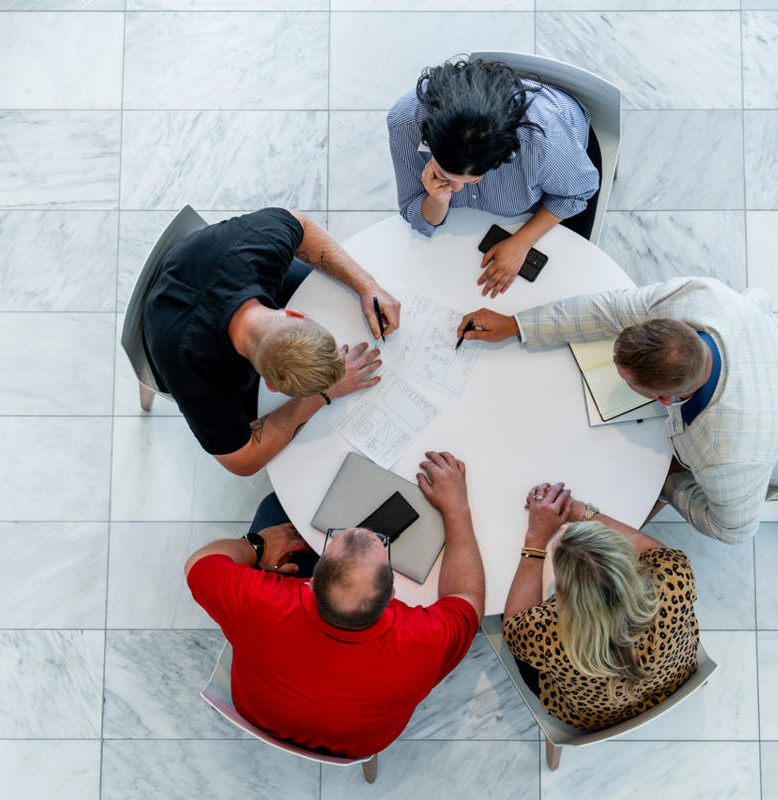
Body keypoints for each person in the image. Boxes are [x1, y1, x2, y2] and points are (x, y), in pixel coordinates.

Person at [457, 276, 778, 544]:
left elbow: (734, 530)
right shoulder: (696, 297)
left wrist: (668, 484)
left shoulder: (724, 454)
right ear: (675, 324)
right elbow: (612, 309)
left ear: (665, 400)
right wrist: (517, 325)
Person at [184, 451, 484, 758]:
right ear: (393, 595)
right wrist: (457, 510)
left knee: (274, 507)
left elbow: (198, 563)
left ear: (311, 582)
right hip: (361, 744)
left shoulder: (258, 602)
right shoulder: (427, 640)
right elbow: (467, 598)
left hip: (256, 711)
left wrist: (259, 545)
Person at [143, 207, 402, 476]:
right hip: (167, 328)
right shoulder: (195, 371)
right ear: (268, 385)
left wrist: (366, 285)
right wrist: (322, 395)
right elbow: (241, 461)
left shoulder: (258, 248)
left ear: (294, 313)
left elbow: (299, 223)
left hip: (205, 266)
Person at [387, 58, 600, 298]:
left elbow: (578, 192)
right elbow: (413, 213)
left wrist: (522, 243)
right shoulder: (404, 124)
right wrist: (437, 200)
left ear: (503, 156)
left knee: (564, 283)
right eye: (445, 174)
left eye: (474, 179)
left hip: (564, 165)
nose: (456, 189)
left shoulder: (543, 138)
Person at [503, 481, 700, 732]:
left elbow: (513, 625)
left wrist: (536, 538)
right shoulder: (673, 577)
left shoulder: (546, 632)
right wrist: (583, 512)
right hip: (674, 677)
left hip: (591, 717)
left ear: (566, 593)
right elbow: (649, 546)